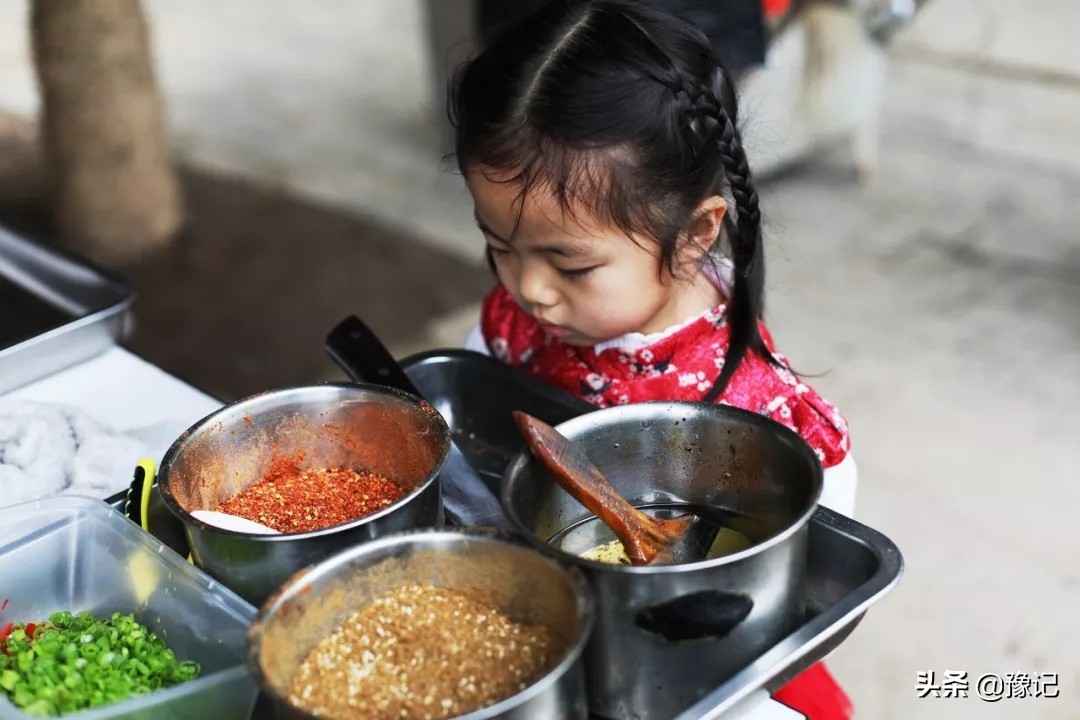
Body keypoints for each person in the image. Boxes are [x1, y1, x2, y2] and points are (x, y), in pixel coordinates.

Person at [451, 1, 855, 717]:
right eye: (500, 246)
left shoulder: (745, 407)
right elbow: (479, 398)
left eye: (570, 267)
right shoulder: (527, 312)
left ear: (696, 234)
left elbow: (821, 520)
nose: (528, 289)